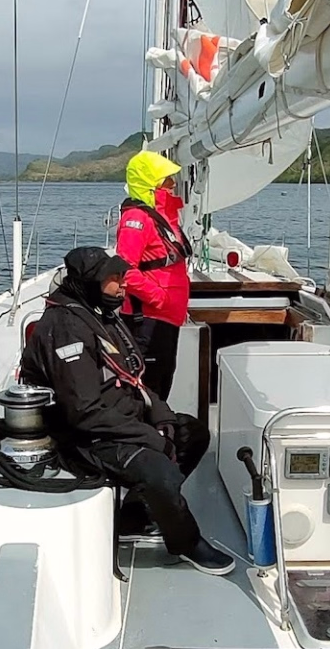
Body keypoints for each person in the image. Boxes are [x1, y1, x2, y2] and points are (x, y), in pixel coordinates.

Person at [19, 246, 231, 574]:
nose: (123, 284)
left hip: (118, 416)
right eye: (113, 279)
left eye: (121, 276)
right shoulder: (65, 329)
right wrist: (150, 437)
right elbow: (83, 411)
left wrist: (160, 415)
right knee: (158, 469)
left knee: (193, 433)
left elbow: (131, 375)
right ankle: (187, 542)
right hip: (82, 437)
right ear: (89, 283)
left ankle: (134, 516)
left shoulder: (99, 314)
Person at [116, 149, 192, 405]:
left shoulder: (162, 217)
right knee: (147, 394)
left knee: (160, 388)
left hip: (165, 319)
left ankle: (155, 436)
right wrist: (158, 297)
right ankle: (144, 439)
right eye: (165, 179)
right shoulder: (137, 218)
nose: (172, 185)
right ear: (150, 182)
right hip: (147, 321)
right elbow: (124, 268)